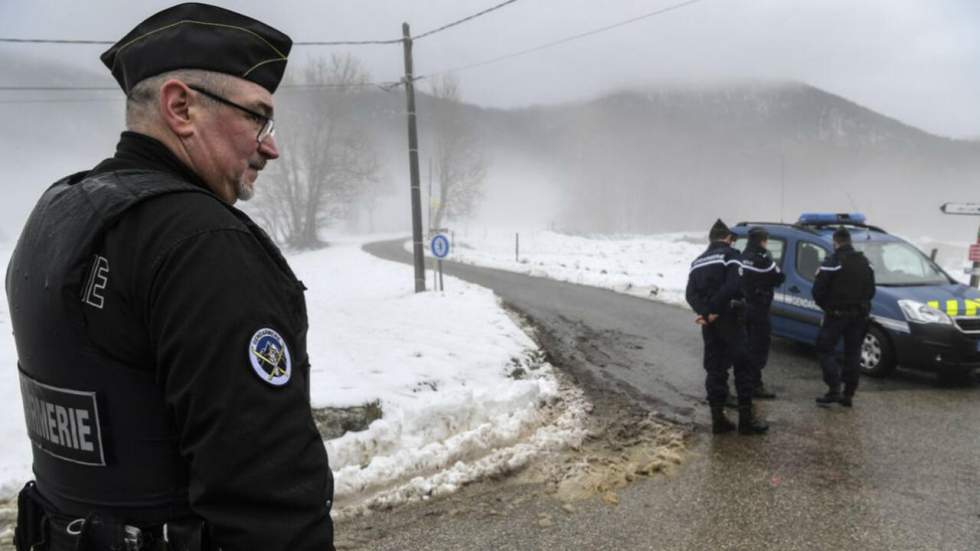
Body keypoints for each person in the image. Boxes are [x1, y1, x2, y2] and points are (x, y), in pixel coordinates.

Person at [6, 4, 334, 550]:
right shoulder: (202, 244)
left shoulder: (59, 213)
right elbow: (267, 497)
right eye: (258, 116)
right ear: (181, 107)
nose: (271, 146)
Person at [686, 219, 768, 435]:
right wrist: (713, 309)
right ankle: (746, 421)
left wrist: (705, 313)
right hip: (730, 318)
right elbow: (733, 285)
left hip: (710, 324)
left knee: (715, 369)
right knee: (743, 366)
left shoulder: (697, 261)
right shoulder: (731, 256)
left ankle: (718, 420)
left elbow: (690, 294)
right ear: (726, 238)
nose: (732, 242)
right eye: (731, 239)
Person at [812, 227, 876, 407]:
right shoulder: (865, 262)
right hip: (859, 316)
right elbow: (871, 291)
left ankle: (834, 388)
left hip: (836, 315)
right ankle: (848, 393)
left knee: (825, 348)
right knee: (853, 352)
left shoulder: (832, 262)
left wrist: (828, 307)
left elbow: (818, 291)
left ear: (835, 242)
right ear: (850, 241)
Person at [738, 227, 785, 399]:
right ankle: (754, 385)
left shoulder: (741, 257)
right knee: (758, 348)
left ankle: (743, 380)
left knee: (745, 345)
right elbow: (779, 277)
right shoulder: (763, 259)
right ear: (763, 241)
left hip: (742, 308)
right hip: (758, 309)